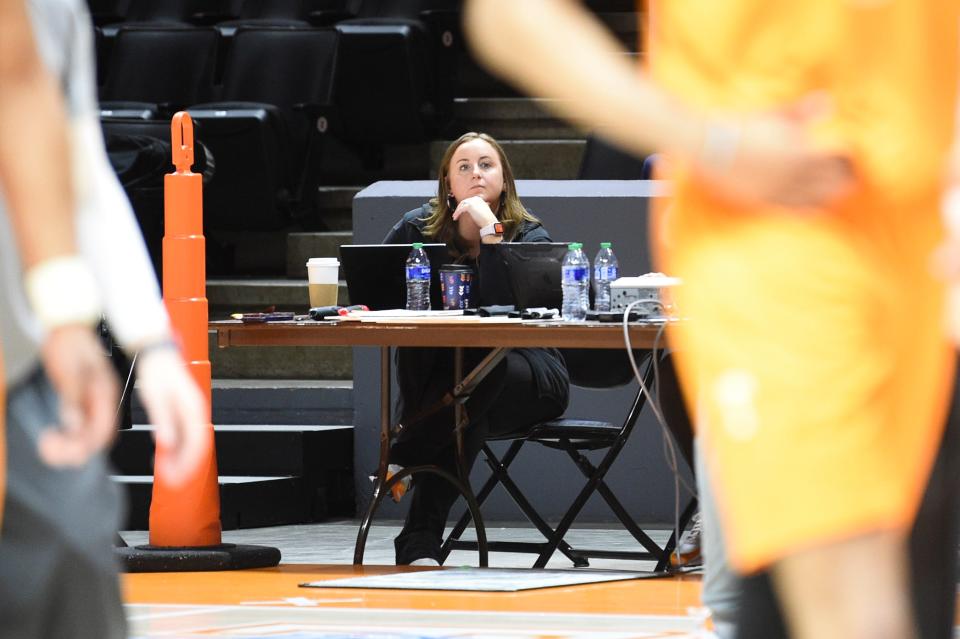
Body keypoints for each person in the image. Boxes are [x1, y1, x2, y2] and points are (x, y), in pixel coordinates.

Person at [463, 2, 959, 639]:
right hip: (793, 251)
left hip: (923, 258)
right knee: (854, 607)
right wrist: (713, 141)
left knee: (900, 598)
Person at [0, 1, 210, 637]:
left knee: (75, 546)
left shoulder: (57, 12)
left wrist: (152, 342)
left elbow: (77, 161)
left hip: (24, 362)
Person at [383, 132, 570, 566]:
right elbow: (377, 286)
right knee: (466, 409)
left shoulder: (530, 235)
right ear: (448, 185)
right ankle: (418, 547)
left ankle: (402, 455)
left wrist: (491, 234)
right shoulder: (415, 230)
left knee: (485, 367)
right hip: (459, 392)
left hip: (531, 376)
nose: (475, 174)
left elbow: (508, 316)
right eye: (463, 167)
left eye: (486, 165)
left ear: (504, 180)